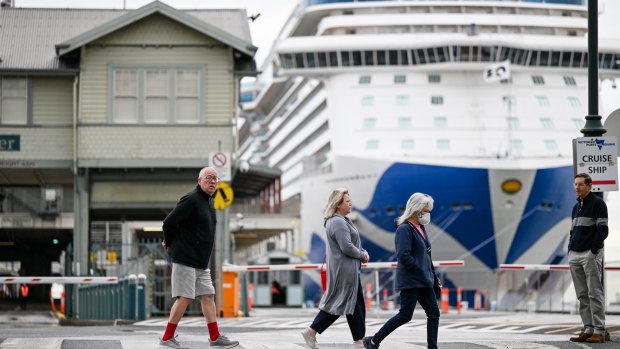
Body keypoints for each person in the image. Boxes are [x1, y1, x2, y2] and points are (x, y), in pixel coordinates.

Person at [159, 166, 239, 349]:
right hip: (185, 259)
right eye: (208, 178)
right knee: (185, 298)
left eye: (215, 179)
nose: (212, 181)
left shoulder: (209, 202)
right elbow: (169, 222)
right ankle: (166, 338)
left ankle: (215, 337)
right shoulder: (191, 199)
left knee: (208, 296)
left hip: (201, 263)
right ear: (199, 181)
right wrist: (168, 242)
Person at [363, 192, 440, 349]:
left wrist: (433, 275)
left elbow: (427, 254)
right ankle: (373, 341)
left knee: (434, 314)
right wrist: (421, 272)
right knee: (405, 315)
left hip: (425, 280)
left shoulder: (421, 228)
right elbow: (404, 256)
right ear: (416, 210)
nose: (428, 214)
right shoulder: (404, 229)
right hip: (411, 281)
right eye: (426, 211)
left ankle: (433, 347)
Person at [301, 188, 369, 349]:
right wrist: (362, 254)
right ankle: (312, 331)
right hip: (344, 271)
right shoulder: (337, 222)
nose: (350, 203)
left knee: (355, 304)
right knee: (339, 305)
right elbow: (346, 247)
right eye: (347, 201)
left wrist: (361, 252)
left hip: (347, 269)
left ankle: (359, 341)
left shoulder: (342, 220)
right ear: (338, 204)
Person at [568, 173, 608, 343]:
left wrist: (593, 251)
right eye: (575, 184)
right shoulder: (575, 207)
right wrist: (570, 249)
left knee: (594, 293)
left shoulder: (598, 204)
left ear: (590, 186)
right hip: (575, 254)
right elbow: (572, 231)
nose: (577, 187)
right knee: (582, 295)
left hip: (589, 254)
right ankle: (588, 328)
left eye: (581, 184)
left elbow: (603, 229)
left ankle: (599, 330)